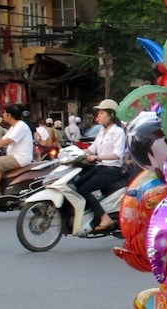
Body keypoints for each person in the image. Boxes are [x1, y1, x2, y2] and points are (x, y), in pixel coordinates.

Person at [74, 99, 127, 232]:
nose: (99, 116)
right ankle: (89, 213)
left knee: (84, 189)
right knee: (76, 185)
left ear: (111, 115)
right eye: (99, 113)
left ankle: (104, 218)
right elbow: (92, 149)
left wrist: (98, 157)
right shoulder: (102, 132)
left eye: (102, 113)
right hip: (100, 168)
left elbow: (117, 154)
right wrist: (74, 152)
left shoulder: (118, 132)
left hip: (112, 169)